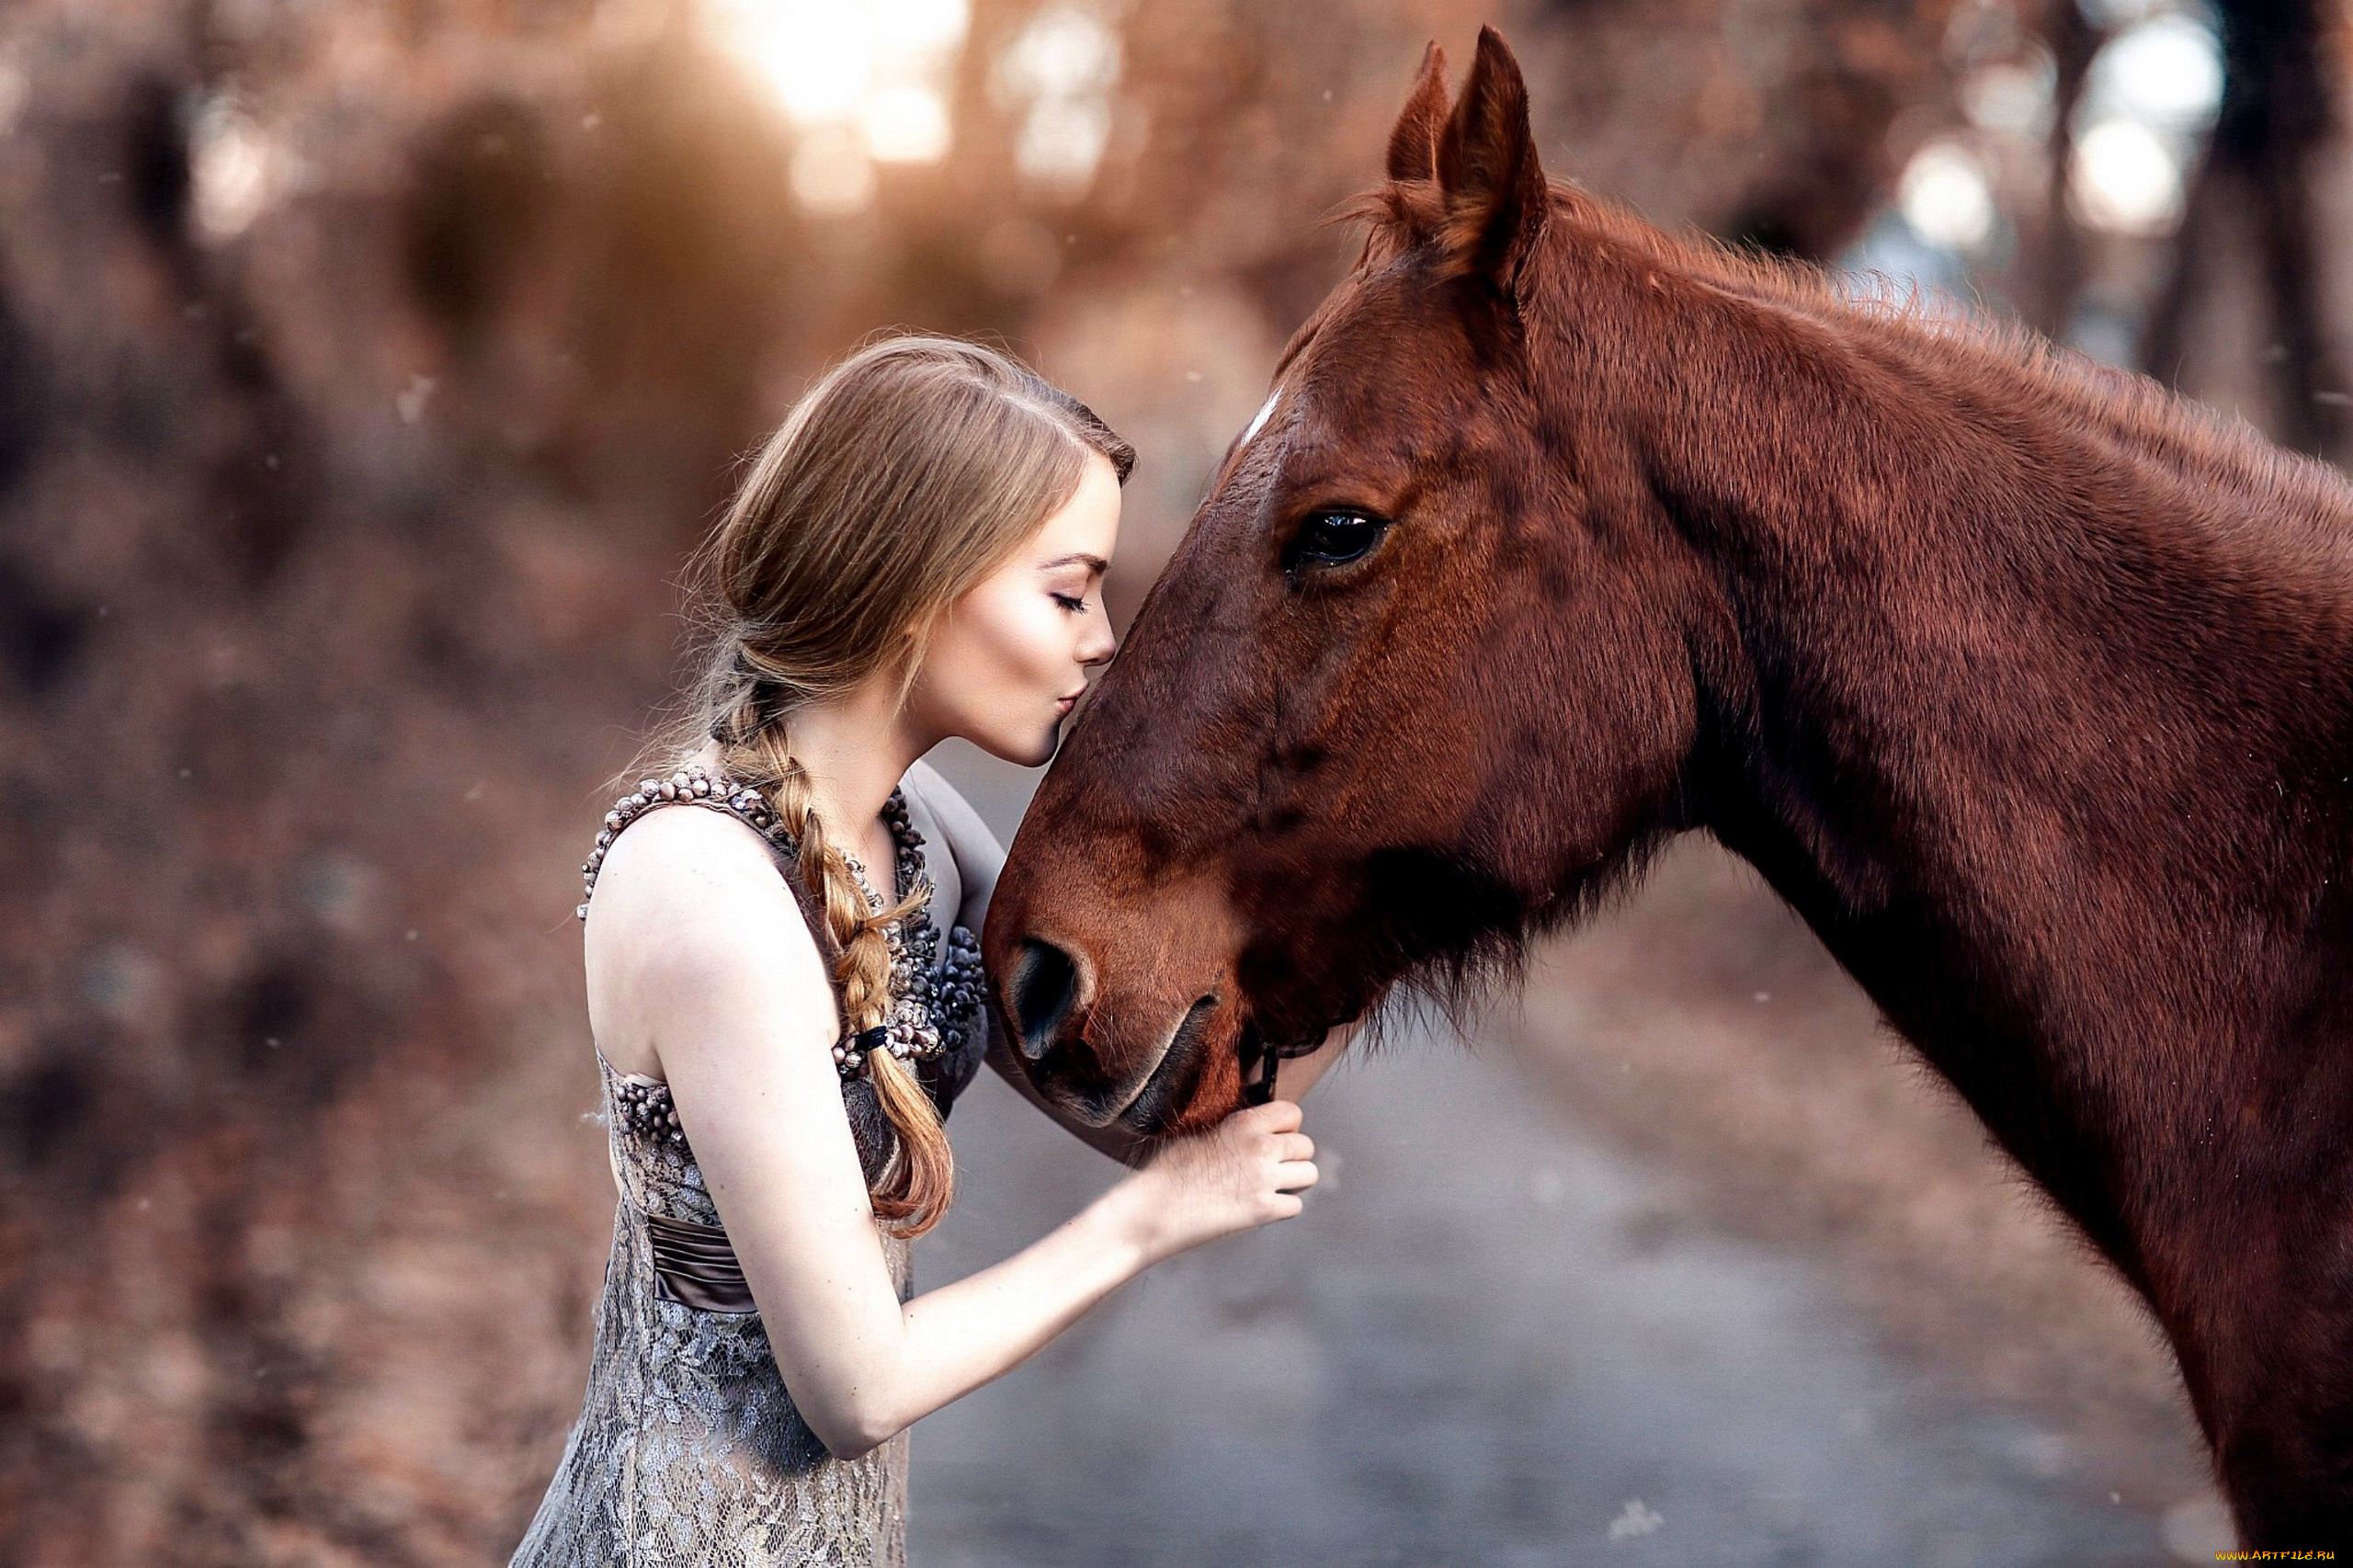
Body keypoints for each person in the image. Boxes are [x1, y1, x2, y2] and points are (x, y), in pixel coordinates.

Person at [509, 336, 1346, 1567]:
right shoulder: (706, 895)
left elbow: (1162, 1097)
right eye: (1068, 592)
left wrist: (1381, 869)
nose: (1102, 638)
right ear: (918, 581)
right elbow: (855, 1385)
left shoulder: (919, 830)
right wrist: (1148, 1222)